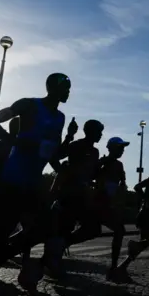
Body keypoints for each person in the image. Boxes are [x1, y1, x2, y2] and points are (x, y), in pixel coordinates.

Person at [0, 73, 78, 296]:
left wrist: (69, 139)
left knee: (46, 229)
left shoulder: (60, 118)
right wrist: (13, 140)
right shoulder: (27, 105)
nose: (68, 92)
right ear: (53, 88)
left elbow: (53, 153)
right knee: (1, 236)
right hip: (12, 181)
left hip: (34, 185)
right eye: (65, 87)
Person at [42, 119, 104, 279]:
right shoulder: (76, 146)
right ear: (90, 132)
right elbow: (54, 157)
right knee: (65, 228)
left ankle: (58, 250)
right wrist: (63, 172)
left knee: (93, 228)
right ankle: (51, 263)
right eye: (99, 131)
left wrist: (100, 167)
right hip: (69, 194)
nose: (101, 135)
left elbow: (92, 174)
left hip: (83, 195)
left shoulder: (96, 152)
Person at [91, 136, 130, 281]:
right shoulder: (102, 163)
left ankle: (114, 267)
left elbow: (122, 186)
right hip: (99, 203)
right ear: (111, 148)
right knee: (115, 230)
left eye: (123, 148)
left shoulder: (119, 165)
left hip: (111, 204)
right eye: (120, 148)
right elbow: (91, 178)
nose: (122, 151)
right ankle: (113, 268)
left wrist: (120, 201)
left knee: (95, 231)